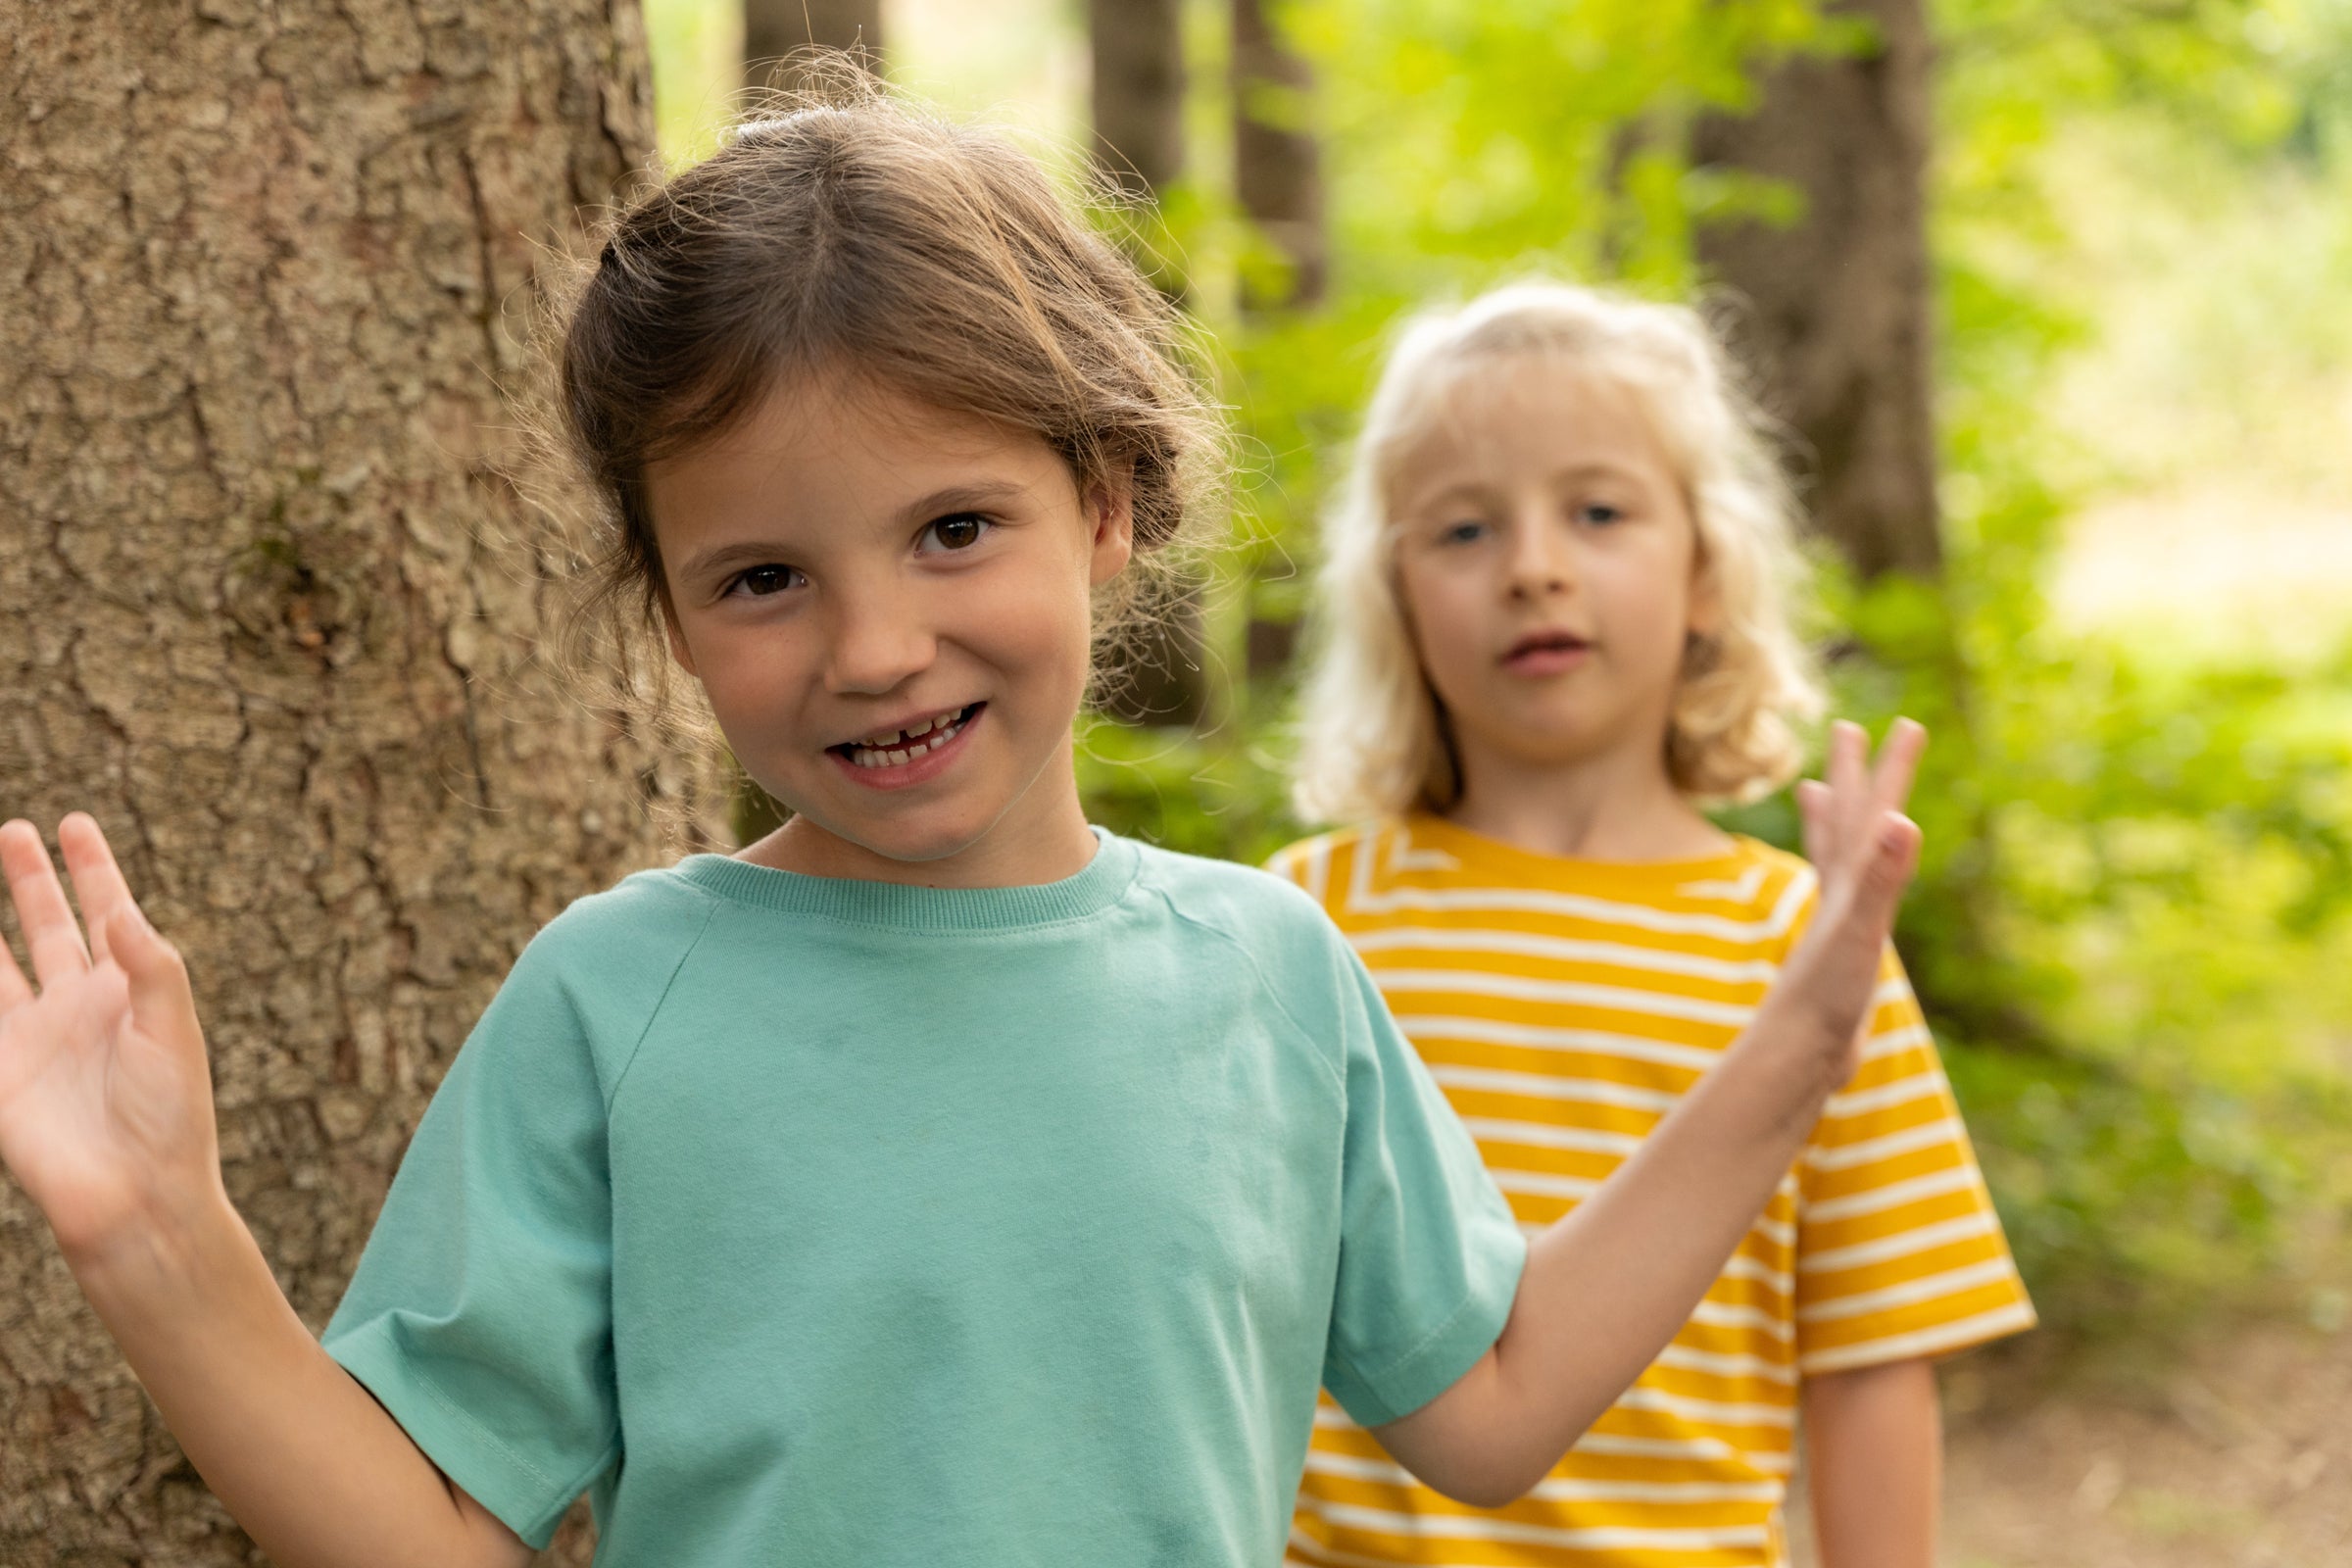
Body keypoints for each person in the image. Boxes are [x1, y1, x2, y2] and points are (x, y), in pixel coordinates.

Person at [0, 89, 1926, 1568]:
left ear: (1104, 500)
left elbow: (1493, 1401)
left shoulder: (1269, 972)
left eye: (952, 527)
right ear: (667, 611)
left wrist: (1797, 1051)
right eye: (762, 575)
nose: (874, 646)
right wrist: (163, 1238)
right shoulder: (622, 997)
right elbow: (435, 1528)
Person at [1271, 281, 2034, 1568]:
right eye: (1463, 530)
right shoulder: (1309, 918)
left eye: (1599, 510)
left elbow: (1871, 1354)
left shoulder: (1807, 945)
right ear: (1395, 595)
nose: (1534, 567)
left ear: (1703, 572)